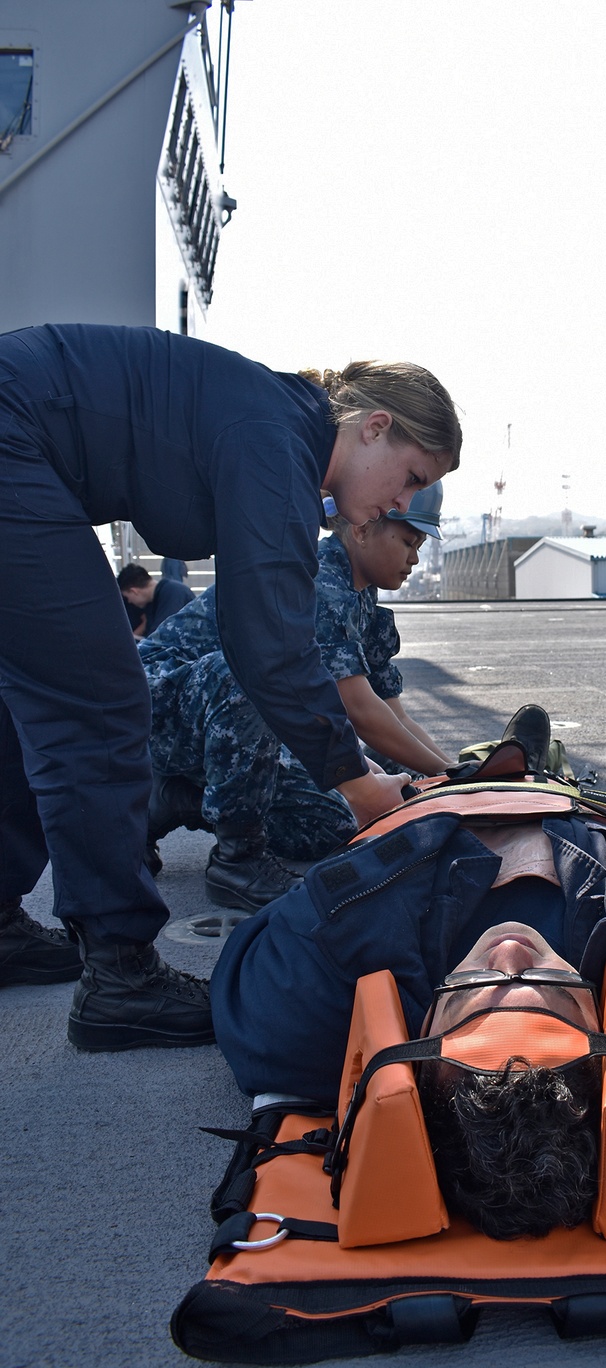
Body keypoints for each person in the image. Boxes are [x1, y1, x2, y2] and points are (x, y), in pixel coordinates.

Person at [0, 325, 460, 1051]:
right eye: (409, 477)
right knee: (97, 699)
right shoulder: (276, 440)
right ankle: (121, 977)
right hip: (10, 430)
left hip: (17, 428)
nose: (401, 501)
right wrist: (356, 781)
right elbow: (268, 644)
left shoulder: (280, 430)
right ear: (375, 428)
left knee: (29, 700)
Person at [211, 765, 606, 1239]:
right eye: (547, 998)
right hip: (596, 806)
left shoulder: (298, 1010)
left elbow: (252, 940)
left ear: (420, 1046)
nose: (510, 957)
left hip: (428, 801)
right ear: (602, 1033)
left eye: (476, 1001)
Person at [139, 483, 454, 909]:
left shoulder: (363, 596)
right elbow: (359, 711)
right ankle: (235, 859)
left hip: (233, 718)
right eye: (408, 541)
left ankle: (182, 799)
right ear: (361, 530)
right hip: (164, 709)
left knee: (330, 822)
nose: (414, 558)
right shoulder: (319, 580)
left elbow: (391, 715)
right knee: (253, 674)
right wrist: (447, 773)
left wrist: (452, 776)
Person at [117, 562, 194, 638]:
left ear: (134, 591)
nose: (129, 601)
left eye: (127, 597)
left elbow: (161, 636)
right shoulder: (156, 598)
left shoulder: (172, 592)